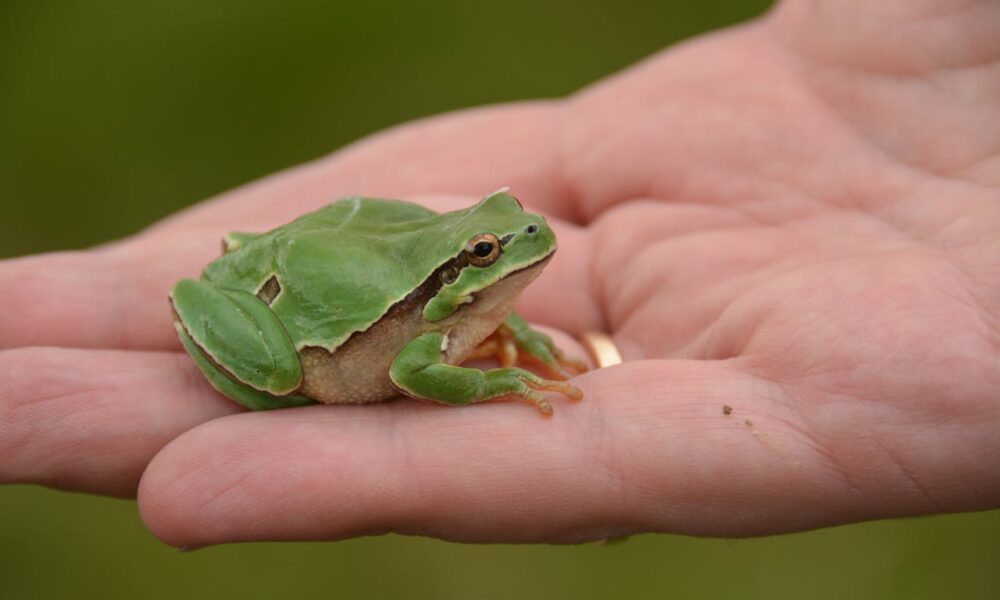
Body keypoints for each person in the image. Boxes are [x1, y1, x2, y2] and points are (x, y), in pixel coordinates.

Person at [1, 0, 997, 547]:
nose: (516, 248)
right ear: (459, 274)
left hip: (339, 263)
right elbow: (414, 371)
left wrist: (500, 331)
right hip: (309, 339)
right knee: (274, 379)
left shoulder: (478, 281)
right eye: (486, 253)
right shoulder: (430, 328)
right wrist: (496, 378)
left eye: (501, 236)